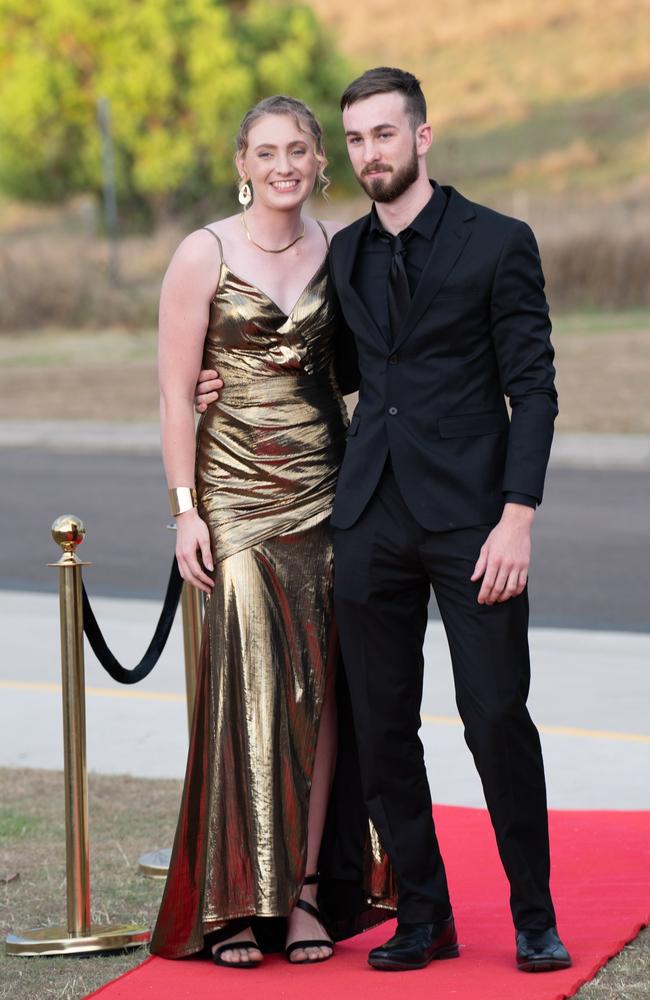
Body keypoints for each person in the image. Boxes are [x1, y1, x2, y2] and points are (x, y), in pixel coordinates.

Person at [195, 67, 572, 975]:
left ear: (423, 137)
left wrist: (518, 517)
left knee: (494, 719)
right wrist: (225, 386)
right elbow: (333, 370)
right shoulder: (345, 255)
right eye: (356, 139)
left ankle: (534, 917)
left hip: (475, 524)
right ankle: (424, 915)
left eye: (384, 135)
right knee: (382, 728)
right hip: (366, 517)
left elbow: (536, 389)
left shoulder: (499, 242)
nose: (370, 153)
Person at [150, 94, 394, 970]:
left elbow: (372, 367)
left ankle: (297, 897)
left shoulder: (347, 247)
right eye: (266, 150)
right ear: (242, 162)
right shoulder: (203, 252)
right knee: (251, 692)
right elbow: (179, 392)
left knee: (320, 695)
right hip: (237, 499)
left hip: (329, 490)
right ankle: (232, 903)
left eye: (298, 149)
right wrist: (185, 510)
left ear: (319, 160)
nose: (283, 164)